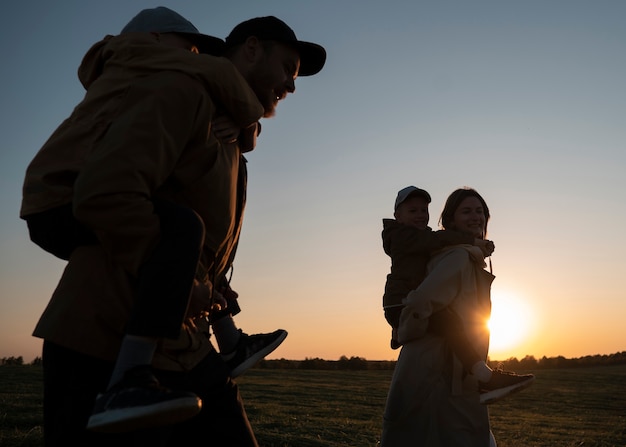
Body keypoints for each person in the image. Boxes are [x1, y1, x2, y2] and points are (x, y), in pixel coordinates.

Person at [19, 7, 325, 446]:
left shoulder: (233, 137)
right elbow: (108, 194)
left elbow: (188, 231)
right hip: (101, 336)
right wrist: (186, 286)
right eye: (288, 69)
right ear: (253, 50)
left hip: (185, 346)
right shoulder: (182, 92)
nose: (292, 85)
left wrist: (209, 284)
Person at [380, 187, 534, 447]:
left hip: (449, 370)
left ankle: (484, 376)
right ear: (450, 221)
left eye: (480, 211)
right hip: (436, 370)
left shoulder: (462, 254)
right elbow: (419, 301)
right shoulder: (458, 256)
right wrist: (405, 331)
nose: (476, 216)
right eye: (467, 211)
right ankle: (486, 377)